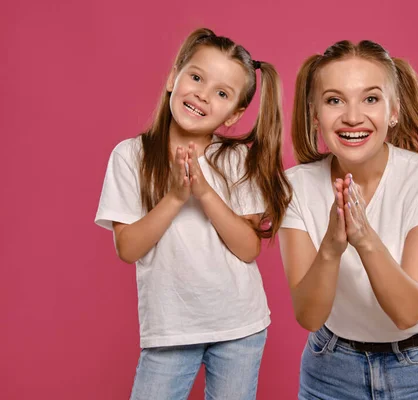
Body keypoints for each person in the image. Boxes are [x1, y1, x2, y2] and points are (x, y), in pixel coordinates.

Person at [94, 28, 291, 400]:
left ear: (234, 114)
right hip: (171, 329)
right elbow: (128, 248)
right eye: (196, 77)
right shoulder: (130, 157)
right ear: (174, 77)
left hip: (239, 327)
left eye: (221, 93)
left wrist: (203, 192)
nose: (202, 93)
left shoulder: (237, 161)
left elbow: (248, 249)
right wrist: (176, 197)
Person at [279, 39, 418, 399]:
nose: (353, 116)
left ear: (394, 111)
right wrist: (331, 248)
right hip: (331, 371)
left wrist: (364, 238)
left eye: (370, 99)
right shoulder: (295, 187)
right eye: (334, 100)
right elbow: (309, 317)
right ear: (315, 114)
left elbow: (407, 312)